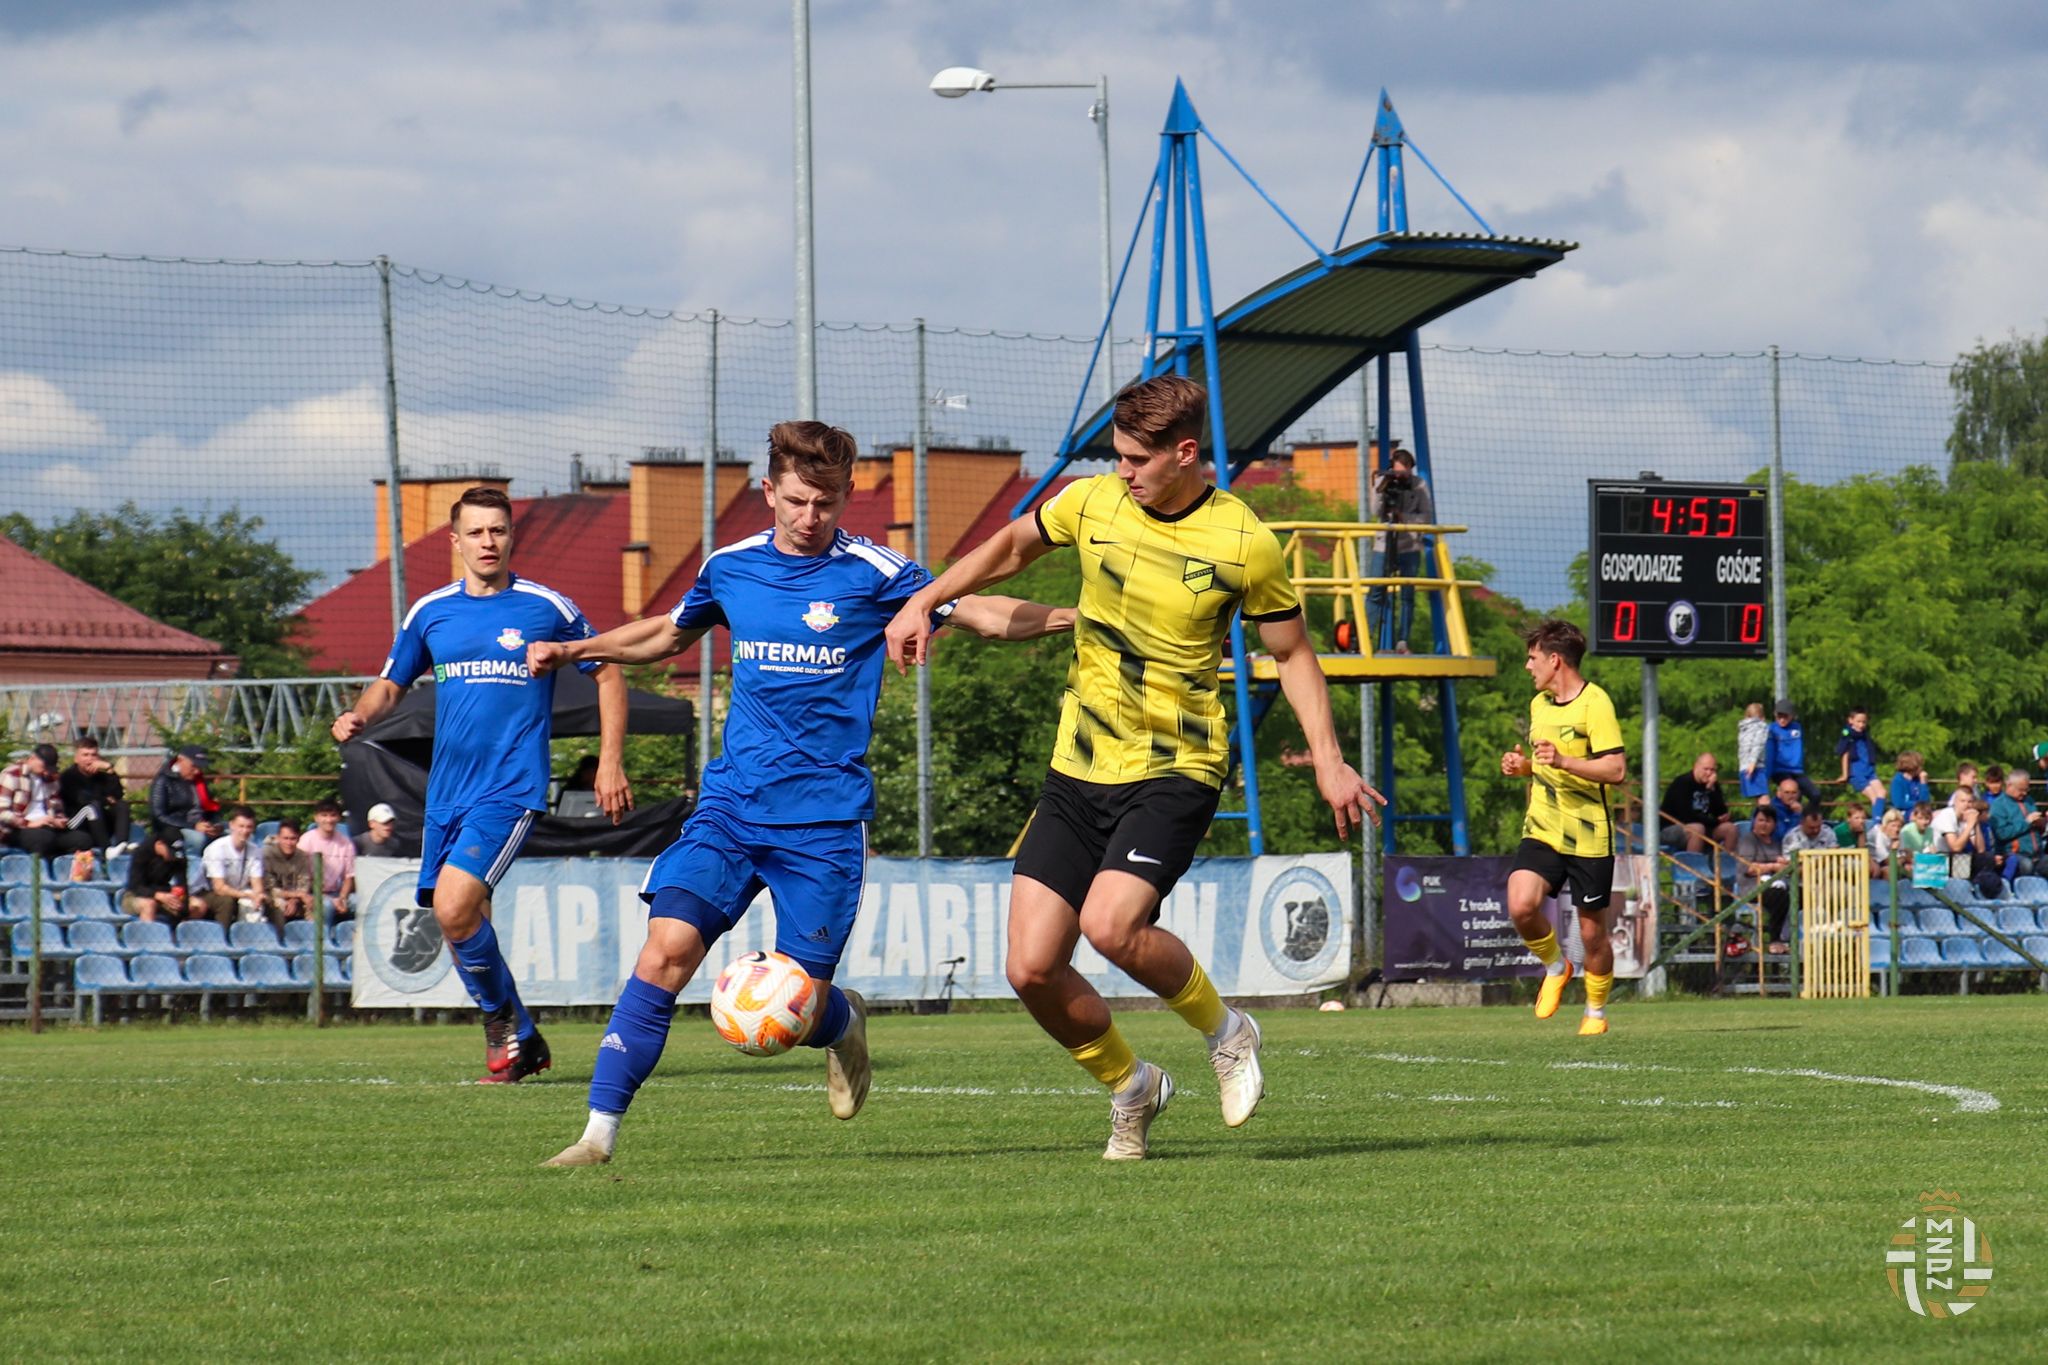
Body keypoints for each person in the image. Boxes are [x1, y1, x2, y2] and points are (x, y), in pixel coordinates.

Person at [540, 419, 1074, 1168]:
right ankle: (597, 1135)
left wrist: (1076, 619)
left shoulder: (877, 572)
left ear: (847, 494)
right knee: (666, 951)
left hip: (823, 823)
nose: (810, 516)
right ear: (769, 491)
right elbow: (667, 635)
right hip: (731, 807)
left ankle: (841, 1021)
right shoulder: (730, 567)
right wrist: (577, 647)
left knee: (795, 1010)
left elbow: (981, 613)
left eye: (825, 502)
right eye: (795, 500)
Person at [885, 375, 1382, 1160]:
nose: (1122, 470)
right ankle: (1132, 1086)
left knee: (1111, 924)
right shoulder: (1092, 504)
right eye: (1116, 455)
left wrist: (1329, 759)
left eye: (1136, 459)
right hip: (1079, 765)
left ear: (1184, 452)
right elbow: (1012, 546)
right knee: (1030, 968)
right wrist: (926, 599)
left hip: (1178, 763)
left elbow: (1291, 653)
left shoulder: (1243, 540)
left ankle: (1228, 1032)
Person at [334, 485, 630, 1085]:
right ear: (456, 541)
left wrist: (609, 762)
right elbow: (390, 684)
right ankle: (524, 1040)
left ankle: (502, 1025)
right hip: (447, 792)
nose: (487, 541)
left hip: (510, 787)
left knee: (453, 906)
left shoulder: (546, 606)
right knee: (460, 923)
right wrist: (360, 714)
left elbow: (608, 672)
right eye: (476, 532)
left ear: (511, 536)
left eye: (497, 530)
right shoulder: (430, 612)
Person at [1497, 620, 1626, 1035]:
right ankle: (1556, 966)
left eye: (1532, 658)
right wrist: (1524, 767)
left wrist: (1564, 761)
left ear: (1555, 660)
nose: (1527, 666)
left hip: (1588, 835)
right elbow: (1545, 766)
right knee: (1521, 905)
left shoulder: (1595, 703)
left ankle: (1596, 1013)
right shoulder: (1539, 705)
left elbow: (1616, 769)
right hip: (1543, 826)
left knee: (1592, 935)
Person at [1365, 446, 1434, 654]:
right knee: (1376, 591)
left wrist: (1405, 517)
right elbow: (1375, 511)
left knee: (1407, 595)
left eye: (1406, 472)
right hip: (1383, 544)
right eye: (1399, 472)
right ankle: (1365, 638)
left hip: (1410, 545)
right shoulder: (1383, 482)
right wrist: (1382, 488)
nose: (1402, 477)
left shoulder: (1419, 485)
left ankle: (1402, 641)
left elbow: (1426, 517)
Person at [0, 744, 93, 864]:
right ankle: (40, 871)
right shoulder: (12, 774)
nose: (46, 771)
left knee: (82, 839)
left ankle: (67, 869)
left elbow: (57, 807)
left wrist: (58, 820)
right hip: (19, 828)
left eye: (50, 768)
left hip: (49, 826)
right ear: (33, 758)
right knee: (43, 838)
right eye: (44, 767)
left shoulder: (51, 779)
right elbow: (3, 812)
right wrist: (28, 823)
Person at [1733, 806, 1792, 953]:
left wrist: (1784, 864)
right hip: (1753, 887)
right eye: (1760, 820)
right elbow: (1748, 868)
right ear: (1754, 821)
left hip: (1775, 884)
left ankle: (1794, 939)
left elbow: (1784, 865)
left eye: (1768, 821)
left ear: (1774, 824)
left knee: (1798, 894)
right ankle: (1775, 940)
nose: (1764, 824)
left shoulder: (1776, 843)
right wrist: (1773, 866)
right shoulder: (1748, 840)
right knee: (1779, 896)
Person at [58, 736, 132, 854]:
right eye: (85, 755)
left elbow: (117, 795)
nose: (90, 759)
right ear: (76, 758)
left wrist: (110, 770)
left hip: (99, 822)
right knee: (93, 806)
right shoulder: (68, 777)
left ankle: (121, 845)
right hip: (77, 822)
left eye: (94, 755)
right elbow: (83, 800)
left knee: (122, 806)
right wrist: (106, 799)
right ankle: (106, 850)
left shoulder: (101, 776)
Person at [1657, 751, 1736, 855]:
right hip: (1672, 828)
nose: (1709, 773)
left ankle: (1725, 862)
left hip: (1704, 825)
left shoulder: (1712, 784)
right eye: (1706, 769)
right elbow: (1687, 817)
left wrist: (1712, 790)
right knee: (1698, 829)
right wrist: (1715, 821)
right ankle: (1693, 864)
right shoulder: (1682, 783)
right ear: (1696, 766)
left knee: (1730, 829)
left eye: (1712, 770)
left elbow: (1721, 812)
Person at [200, 806, 267, 925]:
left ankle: (251, 933)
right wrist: (245, 895)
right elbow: (219, 887)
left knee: (262, 901)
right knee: (226, 901)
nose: (245, 831)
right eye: (241, 826)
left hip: (239, 891)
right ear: (231, 825)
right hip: (209, 892)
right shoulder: (217, 848)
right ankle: (222, 934)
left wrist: (257, 896)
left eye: (249, 827)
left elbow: (257, 883)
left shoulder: (255, 850)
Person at [149, 746, 223, 854]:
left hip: (201, 825)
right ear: (180, 760)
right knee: (197, 839)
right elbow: (159, 816)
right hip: (176, 828)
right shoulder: (163, 781)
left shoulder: (199, 782)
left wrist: (216, 825)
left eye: (199, 767)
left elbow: (210, 808)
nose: (197, 771)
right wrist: (193, 826)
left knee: (233, 832)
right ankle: (193, 862)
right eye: (193, 766)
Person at [299, 799, 357, 920]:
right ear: (316, 818)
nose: (329, 820)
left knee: (360, 902)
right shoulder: (306, 840)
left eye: (333, 815)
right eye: (324, 815)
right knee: (327, 906)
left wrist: (342, 898)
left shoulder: (346, 843)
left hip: (337, 892)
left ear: (338, 818)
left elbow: (349, 876)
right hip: (313, 893)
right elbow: (300, 874)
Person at [123, 826, 191, 922]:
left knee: (196, 905)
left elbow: (182, 884)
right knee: (149, 904)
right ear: (159, 844)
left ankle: (184, 930)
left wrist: (182, 906)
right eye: (170, 851)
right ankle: (149, 932)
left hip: (164, 893)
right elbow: (135, 886)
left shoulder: (178, 857)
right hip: (135, 895)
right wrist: (157, 895)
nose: (173, 856)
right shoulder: (141, 853)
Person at [1988, 769, 2043, 881]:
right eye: (2021, 790)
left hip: (2037, 853)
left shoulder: (2029, 801)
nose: (2024, 793)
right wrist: (2026, 822)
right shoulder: (1999, 805)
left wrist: (2041, 823)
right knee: (2027, 866)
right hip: (2013, 855)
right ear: (2009, 785)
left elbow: (2037, 828)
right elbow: (2001, 833)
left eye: (2026, 789)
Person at [262, 818, 317, 928]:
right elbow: (270, 888)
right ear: (278, 837)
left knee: (313, 903)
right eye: (285, 838)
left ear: (298, 838)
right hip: (272, 896)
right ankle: (280, 935)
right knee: (280, 905)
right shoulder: (267, 854)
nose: (289, 843)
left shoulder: (302, 856)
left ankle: (312, 934)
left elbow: (304, 884)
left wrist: (295, 899)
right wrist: (297, 895)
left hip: (296, 897)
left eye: (293, 838)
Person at [1835, 707, 1885, 815]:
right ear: (1851, 720)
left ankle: (1877, 819)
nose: (1861, 725)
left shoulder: (1865, 736)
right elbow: (1844, 754)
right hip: (1857, 772)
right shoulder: (1848, 735)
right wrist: (1845, 774)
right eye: (1858, 721)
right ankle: (1877, 821)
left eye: (1864, 722)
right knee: (1874, 797)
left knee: (1882, 793)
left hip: (1869, 770)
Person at [1764, 700, 1814, 803]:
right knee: (1792, 794)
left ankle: (1806, 813)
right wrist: (1767, 774)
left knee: (1815, 795)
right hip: (1780, 770)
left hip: (1796, 771)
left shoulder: (1797, 727)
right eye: (1779, 716)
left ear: (1791, 716)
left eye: (1785, 716)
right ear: (1775, 715)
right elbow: (1770, 753)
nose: (1782, 720)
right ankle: (1779, 810)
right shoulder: (1771, 729)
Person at [351, 802, 417, 859]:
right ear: (371, 824)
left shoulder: (395, 845)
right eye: (384, 822)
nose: (389, 826)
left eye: (391, 822)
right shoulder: (357, 843)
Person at [1735, 701, 1769, 800]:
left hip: (1743, 766)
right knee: (1764, 798)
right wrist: (1753, 763)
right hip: (1756, 766)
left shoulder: (1743, 729)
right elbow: (1758, 745)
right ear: (1762, 716)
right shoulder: (1761, 727)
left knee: (1757, 798)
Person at [1889, 751, 1930, 820]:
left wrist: (1923, 783)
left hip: (1921, 811)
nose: (1922, 768)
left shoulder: (1918, 780)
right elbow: (1899, 803)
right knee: (1918, 815)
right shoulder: (1898, 780)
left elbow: (1925, 801)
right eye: (1920, 765)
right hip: (1904, 813)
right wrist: (1918, 805)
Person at [1870, 807, 1905, 880]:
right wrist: (1894, 851)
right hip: (1872, 863)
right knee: (1889, 871)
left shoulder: (1898, 833)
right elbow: (1887, 861)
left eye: (1899, 826)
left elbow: (1903, 855)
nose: (1896, 829)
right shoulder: (1878, 834)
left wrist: (1903, 859)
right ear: (1885, 825)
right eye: (1893, 825)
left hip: (1886, 862)